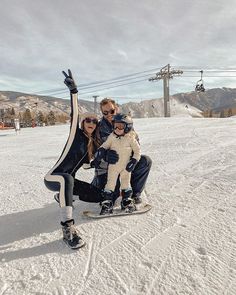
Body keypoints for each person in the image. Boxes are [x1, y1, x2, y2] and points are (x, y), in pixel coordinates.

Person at [44, 70, 103, 249]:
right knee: (67, 178)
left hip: (68, 182)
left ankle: (63, 196)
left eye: (94, 120)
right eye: (88, 120)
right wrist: (74, 92)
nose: (91, 122)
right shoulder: (74, 135)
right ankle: (68, 229)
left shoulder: (92, 145)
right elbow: (75, 113)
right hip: (54, 177)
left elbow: (86, 164)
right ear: (83, 123)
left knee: (97, 195)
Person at [92, 98, 152, 205]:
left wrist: (132, 159)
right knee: (111, 195)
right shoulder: (98, 129)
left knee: (145, 161)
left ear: (116, 109)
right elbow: (94, 153)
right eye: (105, 112)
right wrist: (104, 156)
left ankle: (134, 194)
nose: (109, 114)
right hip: (107, 170)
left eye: (111, 111)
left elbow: (136, 145)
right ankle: (105, 192)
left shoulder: (127, 124)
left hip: (124, 165)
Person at [93, 113, 141, 215]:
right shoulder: (112, 137)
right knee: (110, 184)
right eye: (115, 125)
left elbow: (137, 151)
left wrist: (134, 161)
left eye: (121, 126)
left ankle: (126, 201)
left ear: (128, 127)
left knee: (125, 183)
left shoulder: (131, 138)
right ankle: (107, 203)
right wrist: (100, 153)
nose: (117, 128)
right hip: (113, 167)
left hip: (126, 167)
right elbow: (104, 146)